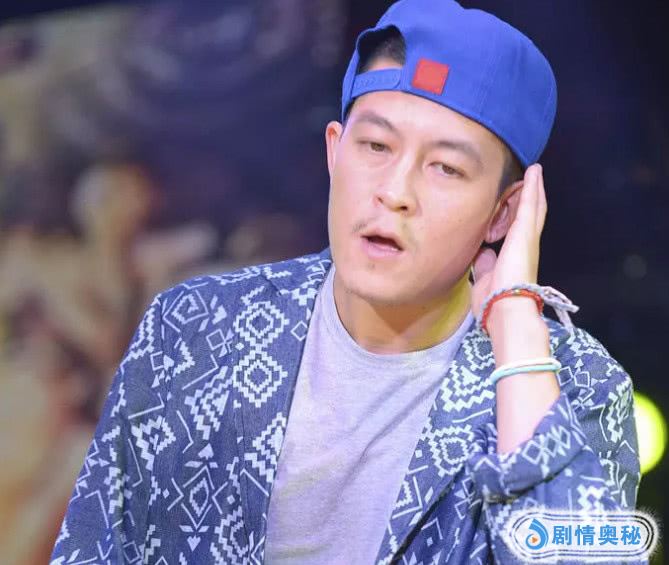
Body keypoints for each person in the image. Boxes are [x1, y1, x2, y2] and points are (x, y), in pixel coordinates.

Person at [50, 1, 641, 564]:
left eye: (446, 167)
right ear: (335, 152)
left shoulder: (580, 387)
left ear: (505, 213)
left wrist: (515, 321)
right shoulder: (195, 330)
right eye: (376, 146)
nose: (395, 192)